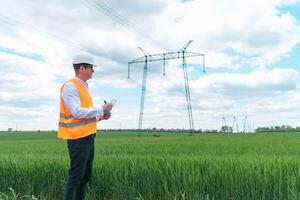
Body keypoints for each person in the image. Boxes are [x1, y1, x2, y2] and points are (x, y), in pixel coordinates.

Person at [58, 52, 113, 200]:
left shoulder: (83, 87)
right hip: (78, 139)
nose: (93, 70)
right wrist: (101, 108)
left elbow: (85, 115)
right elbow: (76, 112)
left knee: (85, 177)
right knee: (75, 178)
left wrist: (101, 116)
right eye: (90, 67)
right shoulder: (70, 87)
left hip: (88, 137)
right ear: (81, 68)